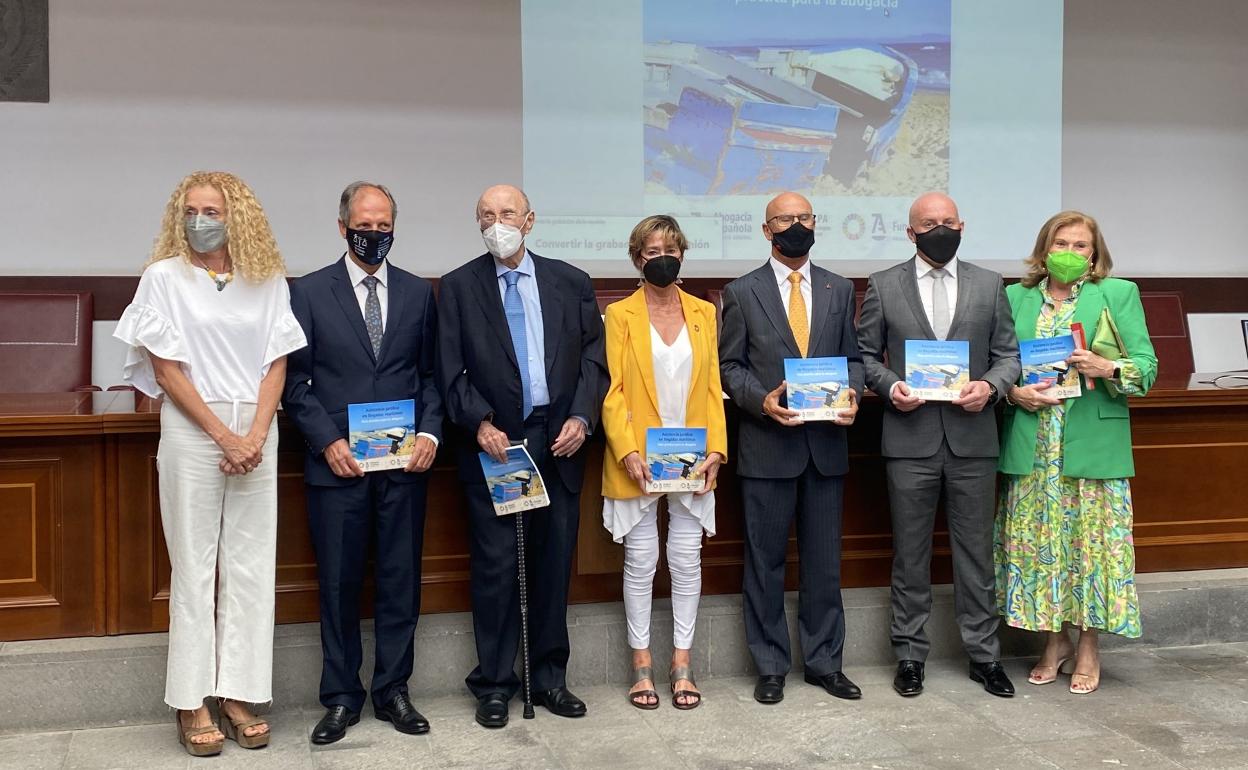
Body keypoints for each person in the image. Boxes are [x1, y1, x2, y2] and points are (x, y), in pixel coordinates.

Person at [114, 171, 307, 756]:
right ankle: (191, 699)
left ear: (237, 216)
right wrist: (224, 435)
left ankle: (239, 692)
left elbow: (277, 361)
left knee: (250, 566)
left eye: (213, 211)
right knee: (194, 568)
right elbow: (167, 369)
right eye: (192, 210)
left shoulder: (266, 278)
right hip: (196, 431)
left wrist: (253, 433)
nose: (201, 220)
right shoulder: (163, 278)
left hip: (257, 430)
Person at [436, 184, 607, 728]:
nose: (496, 222)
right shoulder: (459, 287)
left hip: (559, 441)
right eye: (485, 214)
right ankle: (493, 684)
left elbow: (594, 362)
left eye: (506, 213)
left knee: (553, 564)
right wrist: (478, 422)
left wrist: (582, 418)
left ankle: (550, 678)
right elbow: (447, 370)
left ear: (529, 220)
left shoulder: (570, 282)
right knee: (495, 567)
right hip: (496, 447)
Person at [282, 182, 443, 743]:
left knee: (401, 583)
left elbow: (430, 377)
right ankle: (341, 697)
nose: (373, 235)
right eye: (364, 225)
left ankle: (394, 691)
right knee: (339, 585)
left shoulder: (419, 292)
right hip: (338, 467)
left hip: (404, 468)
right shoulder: (307, 292)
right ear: (342, 225)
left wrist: (430, 432)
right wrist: (328, 441)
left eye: (383, 226)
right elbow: (294, 385)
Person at [857, 191, 1020, 699]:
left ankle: (985, 656)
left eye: (948, 221)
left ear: (963, 226)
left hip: (973, 439)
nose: (939, 229)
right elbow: (863, 356)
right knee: (910, 554)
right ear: (910, 232)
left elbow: (1008, 356)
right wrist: (889, 387)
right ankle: (909, 654)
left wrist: (990, 387)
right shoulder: (883, 286)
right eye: (929, 223)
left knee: (977, 554)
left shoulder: (991, 285)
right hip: (910, 439)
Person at [996, 211, 1157, 695]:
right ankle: (1054, 641)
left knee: (1091, 551)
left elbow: (1146, 371)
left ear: (1094, 254)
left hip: (1092, 447)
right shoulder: (1014, 297)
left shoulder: (1117, 294)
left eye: (1080, 245)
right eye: (1060, 243)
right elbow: (997, 366)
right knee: (1041, 549)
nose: (1069, 252)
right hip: (1033, 445)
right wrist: (1013, 394)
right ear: (1044, 250)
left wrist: (1108, 366)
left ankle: (1088, 644)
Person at [719, 192, 864, 705]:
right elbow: (729, 367)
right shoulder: (740, 292)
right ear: (766, 229)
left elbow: (854, 358)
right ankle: (771, 665)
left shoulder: (839, 288)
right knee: (766, 563)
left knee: (824, 563)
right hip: (767, 446)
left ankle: (826, 663)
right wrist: (762, 402)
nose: (796, 225)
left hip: (826, 446)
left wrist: (852, 392)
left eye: (804, 217)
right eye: (786, 218)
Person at [600, 215, 727, 710]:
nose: (662, 259)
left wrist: (716, 447)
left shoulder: (703, 313)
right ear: (637, 258)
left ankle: (681, 664)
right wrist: (627, 450)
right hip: (638, 458)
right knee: (641, 561)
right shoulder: (619, 315)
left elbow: (714, 387)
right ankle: (642, 667)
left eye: (670, 250)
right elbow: (611, 391)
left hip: (693, 457)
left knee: (686, 560)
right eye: (652, 252)